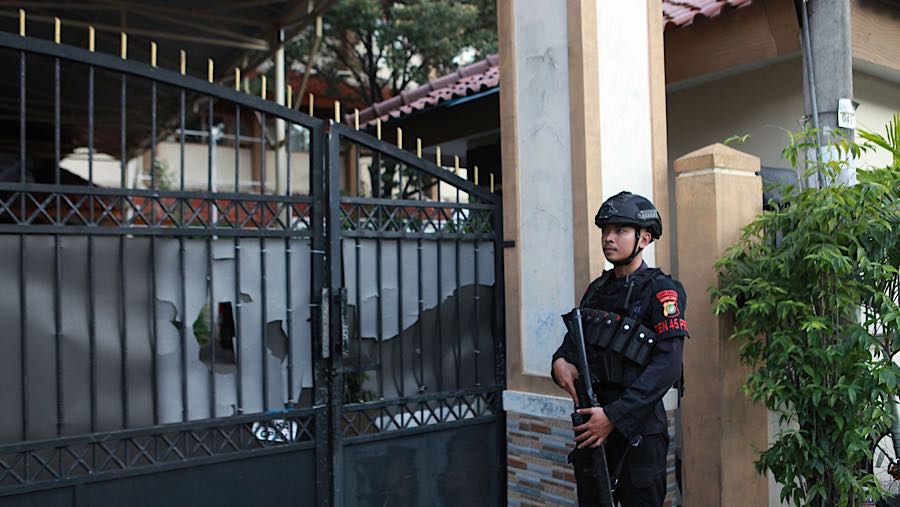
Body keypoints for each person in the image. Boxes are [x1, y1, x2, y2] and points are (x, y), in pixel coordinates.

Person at [552, 191, 688, 506]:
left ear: (645, 238)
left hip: (637, 431)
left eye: (620, 230)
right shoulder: (596, 291)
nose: (608, 238)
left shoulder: (662, 291)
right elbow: (572, 348)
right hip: (592, 427)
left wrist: (613, 416)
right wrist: (559, 362)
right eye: (605, 231)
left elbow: (667, 367)